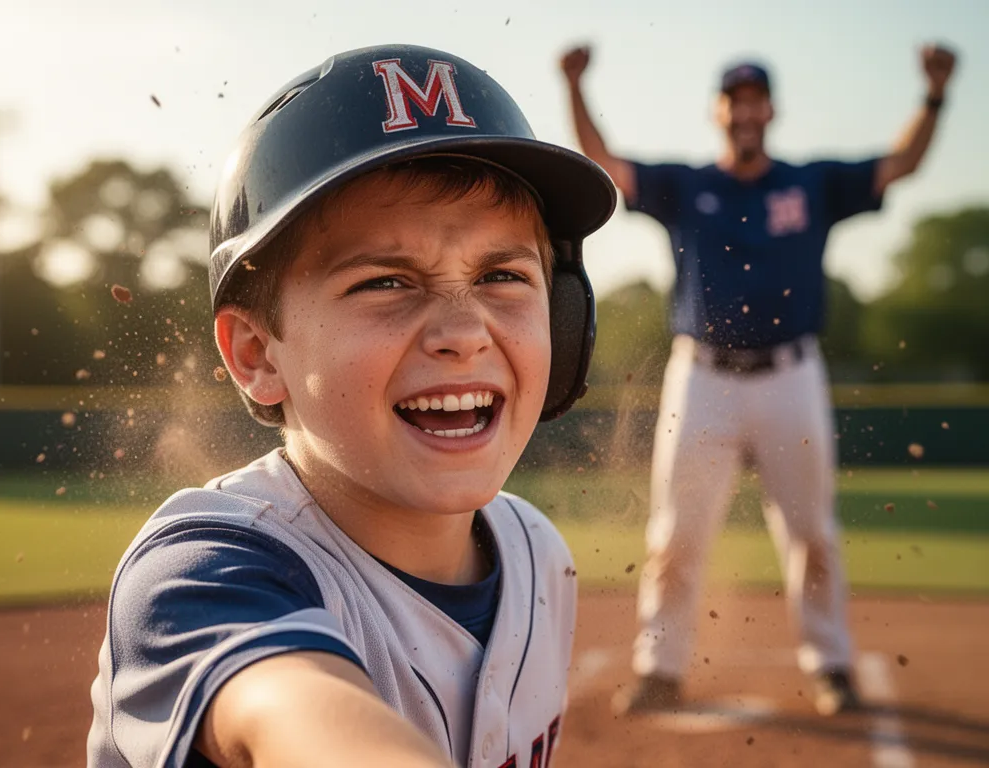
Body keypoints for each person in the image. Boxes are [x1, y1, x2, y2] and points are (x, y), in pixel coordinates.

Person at [87, 44, 615, 768]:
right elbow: (297, 715)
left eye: (501, 274)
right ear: (256, 354)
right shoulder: (201, 575)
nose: (463, 333)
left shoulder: (538, 554)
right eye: (386, 283)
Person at [560, 43, 957, 716]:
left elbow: (904, 163)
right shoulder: (684, 187)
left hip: (791, 375)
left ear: (770, 110)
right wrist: (574, 85)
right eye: (733, 100)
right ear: (719, 112)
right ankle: (661, 667)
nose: (745, 111)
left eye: (755, 100)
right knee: (677, 534)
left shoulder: (812, 183)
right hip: (703, 378)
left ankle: (830, 664)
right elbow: (607, 161)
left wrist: (935, 95)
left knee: (811, 532)